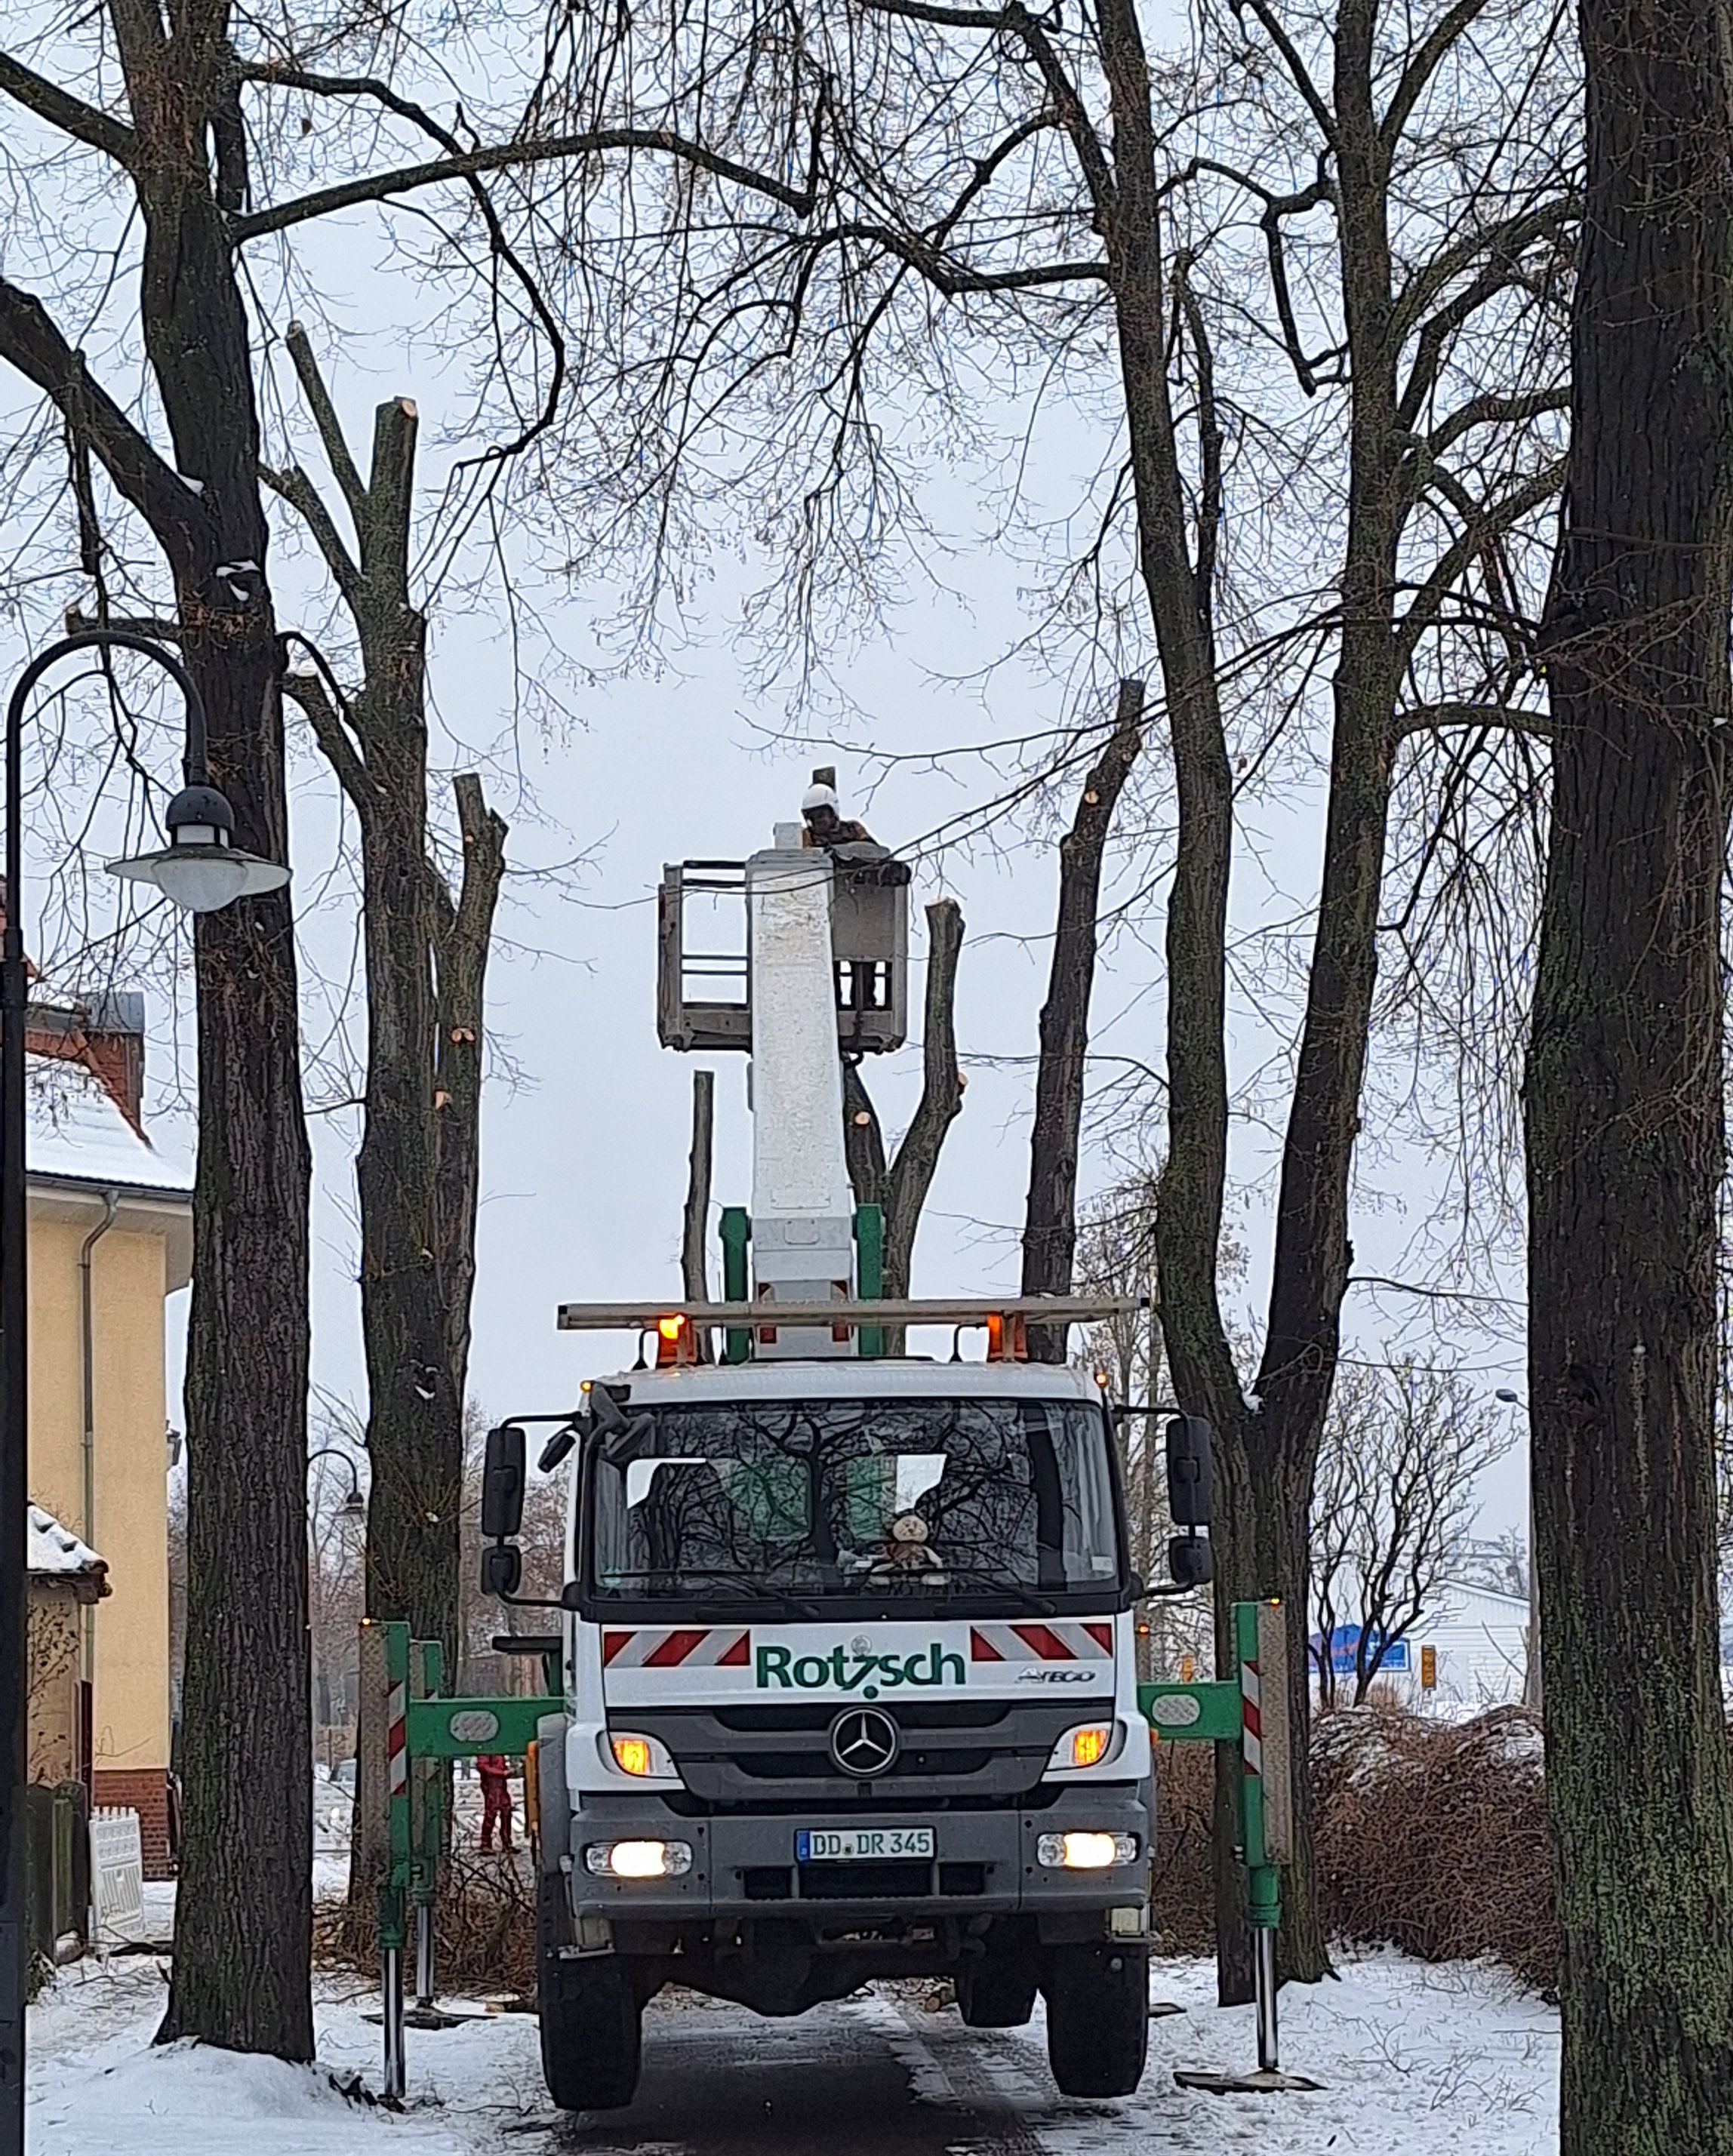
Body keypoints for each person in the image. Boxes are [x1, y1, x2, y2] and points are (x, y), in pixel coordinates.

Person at [801, 782, 873, 849]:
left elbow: (873, 851)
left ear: (832, 813)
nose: (818, 821)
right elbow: (806, 858)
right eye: (813, 818)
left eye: (821, 815)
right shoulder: (808, 835)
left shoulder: (853, 829)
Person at [477, 1752, 515, 1854]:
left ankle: (507, 1842)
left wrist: (505, 1771)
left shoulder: (497, 1751)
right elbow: (482, 1766)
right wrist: (502, 1773)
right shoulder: (486, 1749)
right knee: (491, 1813)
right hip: (491, 1785)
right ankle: (485, 1843)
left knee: (506, 1811)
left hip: (500, 1785)